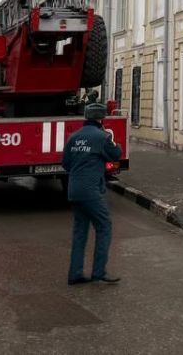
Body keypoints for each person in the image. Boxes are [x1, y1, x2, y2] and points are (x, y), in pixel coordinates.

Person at [61, 102, 123, 286]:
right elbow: (116, 155)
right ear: (101, 118)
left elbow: (65, 163)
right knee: (104, 226)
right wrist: (114, 143)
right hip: (91, 191)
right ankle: (99, 271)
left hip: (73, 190)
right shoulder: (102, 137)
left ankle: (75, 273)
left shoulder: (74, 137)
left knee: (80, 231)